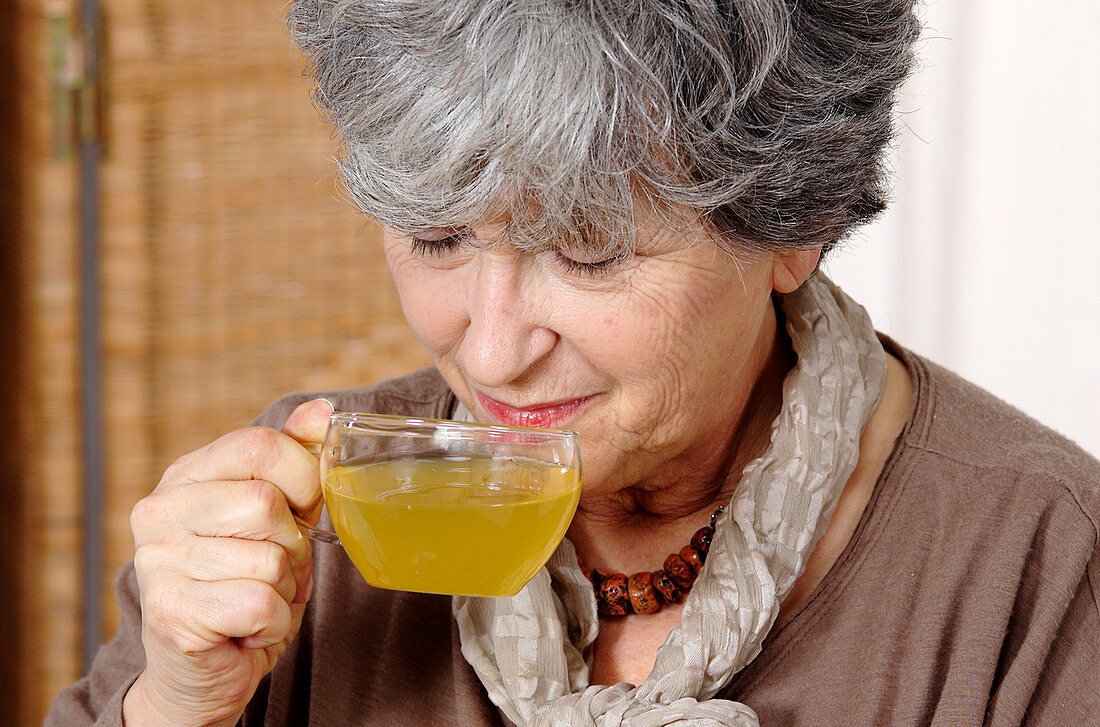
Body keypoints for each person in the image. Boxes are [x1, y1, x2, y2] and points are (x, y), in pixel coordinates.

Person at [49, 1, 1098, 725]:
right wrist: (180, 701)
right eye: (438, 238)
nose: (493, 350)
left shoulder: (1033, 562)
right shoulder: (298, 534)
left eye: (588, 251)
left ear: (795, 221)